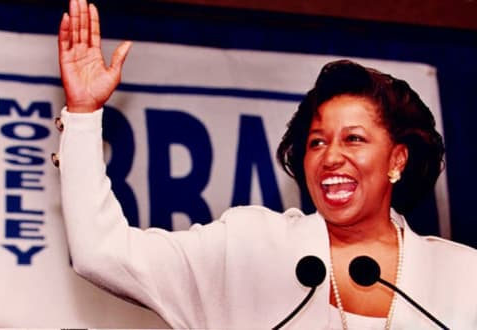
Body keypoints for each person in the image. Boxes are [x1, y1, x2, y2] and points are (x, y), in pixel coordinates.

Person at [57, 0, 477, 329]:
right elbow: (101, 254)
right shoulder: (248, 250)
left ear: (397, 159)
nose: (331, 156)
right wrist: (82, 114)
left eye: (354, 138)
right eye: (316, 142)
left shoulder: (461, 276)